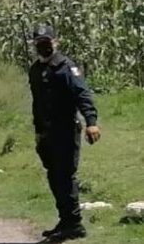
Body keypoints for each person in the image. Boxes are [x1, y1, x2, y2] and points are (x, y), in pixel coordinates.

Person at [29, 25, 100, 241]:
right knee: (54, 176)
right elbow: (38, 104)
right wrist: (39, 131)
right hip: (46, 134)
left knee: (65, 176)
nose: (44, 46)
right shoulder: (35, 70)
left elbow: (82, 95)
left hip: (66, 131)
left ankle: (75, 224)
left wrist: (91, 122)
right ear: (34, 45)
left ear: (55, 42)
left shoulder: (66, 68)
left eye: (47, 41)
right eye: (39, 42)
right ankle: (65, 220)